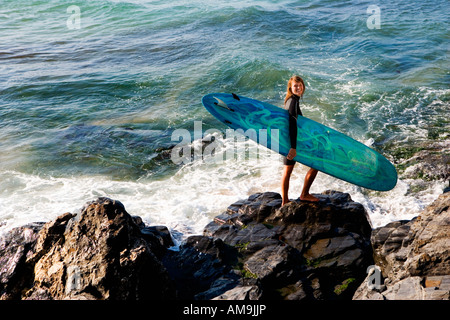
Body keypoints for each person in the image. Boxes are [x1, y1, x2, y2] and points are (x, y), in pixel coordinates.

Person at [281, 75, 319, 206]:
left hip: (289, 141)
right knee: (316, 164)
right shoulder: (293, 101)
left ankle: (286, 200)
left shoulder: (290, 100)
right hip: (292, 143)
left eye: (300, 85)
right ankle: (303, 194)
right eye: (295, 86)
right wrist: (293, 147)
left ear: (303, 86)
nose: (298, 88)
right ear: (291, 88)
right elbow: (292, 123)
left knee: (287, 171)